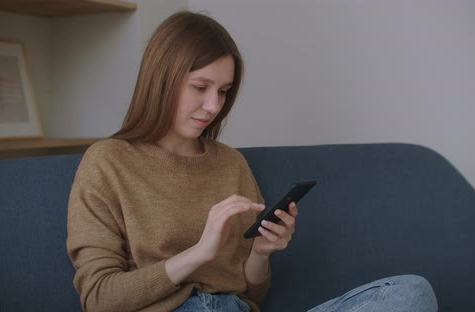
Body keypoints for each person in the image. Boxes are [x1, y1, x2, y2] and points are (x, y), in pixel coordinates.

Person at [66, 10, 438, 312]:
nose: (214, 106)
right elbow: (99, 299)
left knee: (411, 294)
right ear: (161, 79)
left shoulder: (230, 163)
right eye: (200, 87)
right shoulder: (108, 162)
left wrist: (261, 252)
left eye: (224, 92)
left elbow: (252, 295)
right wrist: (199, 253)